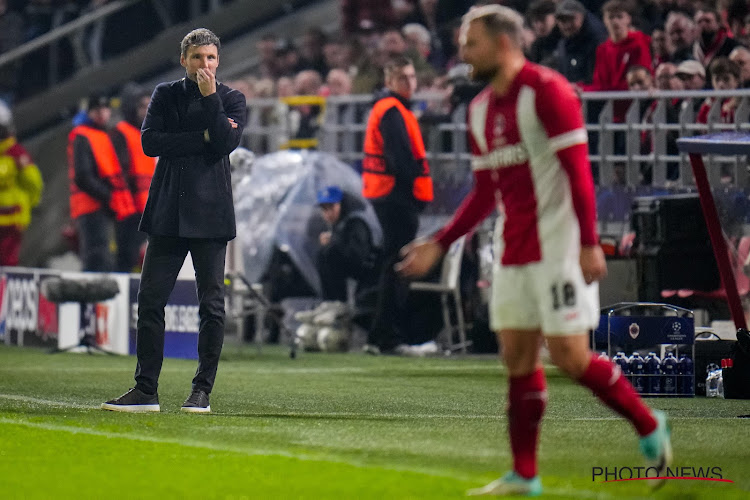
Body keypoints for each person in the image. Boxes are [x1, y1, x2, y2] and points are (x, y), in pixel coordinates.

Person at [397, 6, 672, 495]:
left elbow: (578, 173)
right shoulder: (479, 109)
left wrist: (589, 243)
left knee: (570, 356)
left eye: (470, 43)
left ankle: (650, 426)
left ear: (503, 43)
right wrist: (440, 242)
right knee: (517, 359)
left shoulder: (548, 92)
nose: (462, 53)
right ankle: (525, 474)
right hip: (513, 248)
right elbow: (485, 192)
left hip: (560, 245)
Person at [102, 28, 246, 413]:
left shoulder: (230, 98)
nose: (205, 65)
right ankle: (145, 389)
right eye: (198, 57)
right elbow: (150, 143)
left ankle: (202, 391)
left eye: (211, 58)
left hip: (211, 216)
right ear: (184, 60)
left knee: (211, 305)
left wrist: (209, 101)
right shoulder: (165, 94)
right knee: (150, 301)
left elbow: (224, 142)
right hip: (167, 212)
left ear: (219, 61)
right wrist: (200, 138)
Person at [362, 55, 433, 354]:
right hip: (396, 196)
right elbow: (400, 159)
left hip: (388, 195)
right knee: (398, 265)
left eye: (412, 77)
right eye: (403, 78)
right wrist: (414, 194)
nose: (409, 83)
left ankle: (381, 334)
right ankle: (387, 336)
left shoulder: (393, 109)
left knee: (393, 263)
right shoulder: (392, 111)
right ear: (390, 81)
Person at [68, 93, 136, 272]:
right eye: (96, 109)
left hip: (103, 206)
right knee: (96, 256)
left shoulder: (101, 135)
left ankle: (95, 298)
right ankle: (92, 298)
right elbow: (82, 176)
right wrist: (108, 195)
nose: (101, 113)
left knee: (103, 255)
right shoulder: (82, 136)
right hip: (91, 206)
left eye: (104, 109)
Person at [110, 83, 155, 272]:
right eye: (141, 107)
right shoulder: (121, 133)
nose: (146, 112)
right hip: (129, 210)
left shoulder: (144, 134)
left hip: (145, 209)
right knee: (127, 258)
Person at [315, 185, 382, 304]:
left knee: (329, 254)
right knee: (323, 253)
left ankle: (337, 304)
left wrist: (334, 241)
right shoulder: (341, 222)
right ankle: (329, 303)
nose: (328, 213)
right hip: (360, 268)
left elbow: (357, 254)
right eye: (324, 209)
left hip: (371, 270)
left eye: (331, 207)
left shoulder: (355, 221)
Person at [0, 101, 43, 266]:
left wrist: (29, 205)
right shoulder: (16, 153)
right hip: (13, 219)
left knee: (8, 262)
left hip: (12, 220)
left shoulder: (16, 154)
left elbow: (33, 183)